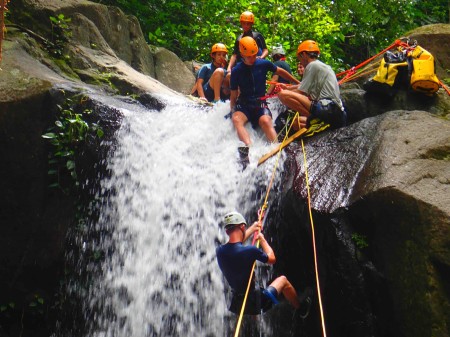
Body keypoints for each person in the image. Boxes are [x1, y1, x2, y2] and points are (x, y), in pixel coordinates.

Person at [216, 211, 312, 316]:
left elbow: (235, 245)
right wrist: (262, 240)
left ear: (226, 232)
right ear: (242, 227)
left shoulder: (220, 251)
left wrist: (253, 228)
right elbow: (272, 259)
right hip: (257, 303)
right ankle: (301, 309)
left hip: (236, 305)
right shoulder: (250, 250)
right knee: (283, 281)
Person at [230, 37, 300, 150]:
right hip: (244, 104)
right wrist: (232, 110)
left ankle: (277, 149)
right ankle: (249, 148)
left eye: (254, 55)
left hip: (260, 103)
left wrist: (297, 82)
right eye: (249, 56)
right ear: (242, 55)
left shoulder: (263, 63)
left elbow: (280, 71)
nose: (253, 58)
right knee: (236, 120)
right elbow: (233, 94)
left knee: (266, 120)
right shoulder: (237, 70)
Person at [277, 40, 346, 130]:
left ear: (304, 54)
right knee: (296, 123)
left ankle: (315, 119)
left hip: (327, 108)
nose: (300, 61)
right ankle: (315, 120)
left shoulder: (311, 65)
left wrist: (283, 91)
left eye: (300, 58)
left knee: (283, 95)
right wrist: (288, 87)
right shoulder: (319, 66)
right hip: (337, 113)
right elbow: (303, 86)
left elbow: (301, 91)